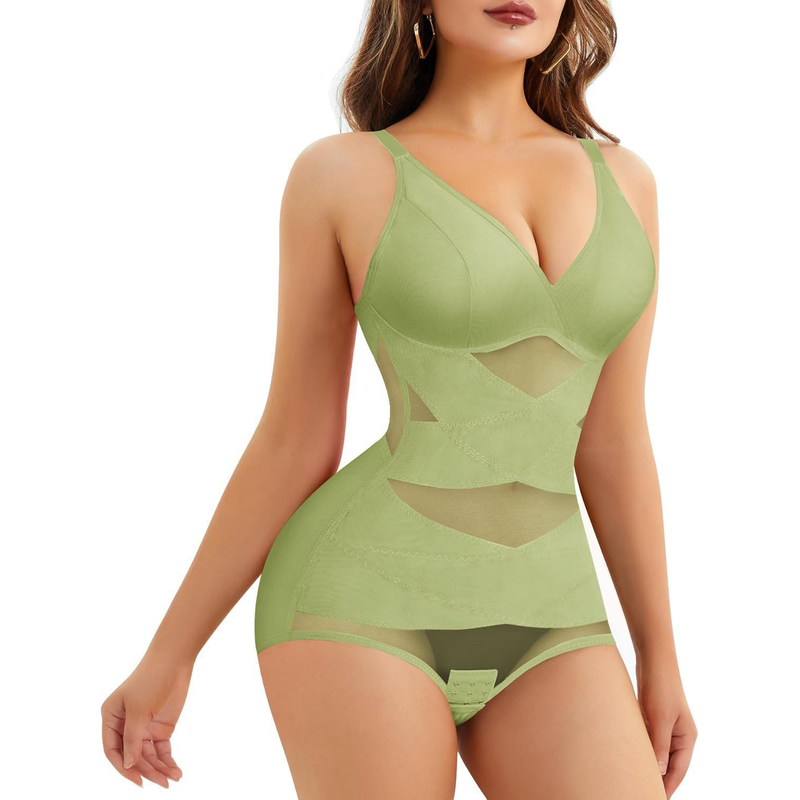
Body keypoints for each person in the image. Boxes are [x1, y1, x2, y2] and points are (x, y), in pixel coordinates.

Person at [100, 1, 698, 798]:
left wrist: (659, 655)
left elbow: (615, 439)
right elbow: (294, 440)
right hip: (359, 602)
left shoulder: (628, 182)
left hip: (556, 616)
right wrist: (172, 653)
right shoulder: (342, 173)